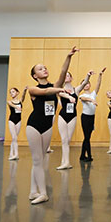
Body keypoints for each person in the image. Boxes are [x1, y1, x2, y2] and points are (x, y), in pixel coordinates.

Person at [26, 46, 77, 204]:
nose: (44, 69)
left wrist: (68, 57)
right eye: (40, 69)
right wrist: (58, 89)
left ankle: (33, 191)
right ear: (35, 75)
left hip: (48, 126)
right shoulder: (33, 89)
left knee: (39, 159)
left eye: (45, 67)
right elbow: (45, 91)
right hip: (34, 125)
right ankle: (43, 193)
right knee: (37, 160)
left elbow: (62, 72)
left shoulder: (55, 86)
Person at [55, 70, 92, 170]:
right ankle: (65, 162)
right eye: (65, 75)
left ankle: (65, 161)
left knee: (68, 140)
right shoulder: (60, 89)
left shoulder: (76, 90)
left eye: (68, 75)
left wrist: (88, 75)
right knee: (64, 140)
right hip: (62, 116)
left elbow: (84, 83)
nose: (66, 77)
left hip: (73, 116)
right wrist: (68, 96)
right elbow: (61, 94)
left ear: (71, 78)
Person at [78, 68, 105, 162]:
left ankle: (82, 155)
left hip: (92, 118)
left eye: (87, 83)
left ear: (89, 85)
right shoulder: (81, 95)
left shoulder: (93, 94)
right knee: (86, 137)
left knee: (87, 137)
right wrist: (92, 100)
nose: (86, 85)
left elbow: (98, 85)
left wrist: (100, 75)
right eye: (84, 84)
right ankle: (89, 156)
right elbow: (85, 99)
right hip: (85, 117)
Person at [6, 86, 27, 161]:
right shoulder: (9, 101)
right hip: (11, 120)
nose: (11, 93)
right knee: (14, 137)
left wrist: (24, 90)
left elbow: (23, 97)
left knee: (14, 138)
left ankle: (11, 154)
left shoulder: (20, 101)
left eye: (13, 92)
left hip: (19, 121)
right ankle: (16, 154)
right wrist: (16, 107)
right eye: (10, 92)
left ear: (17, 92)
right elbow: (12, 105)